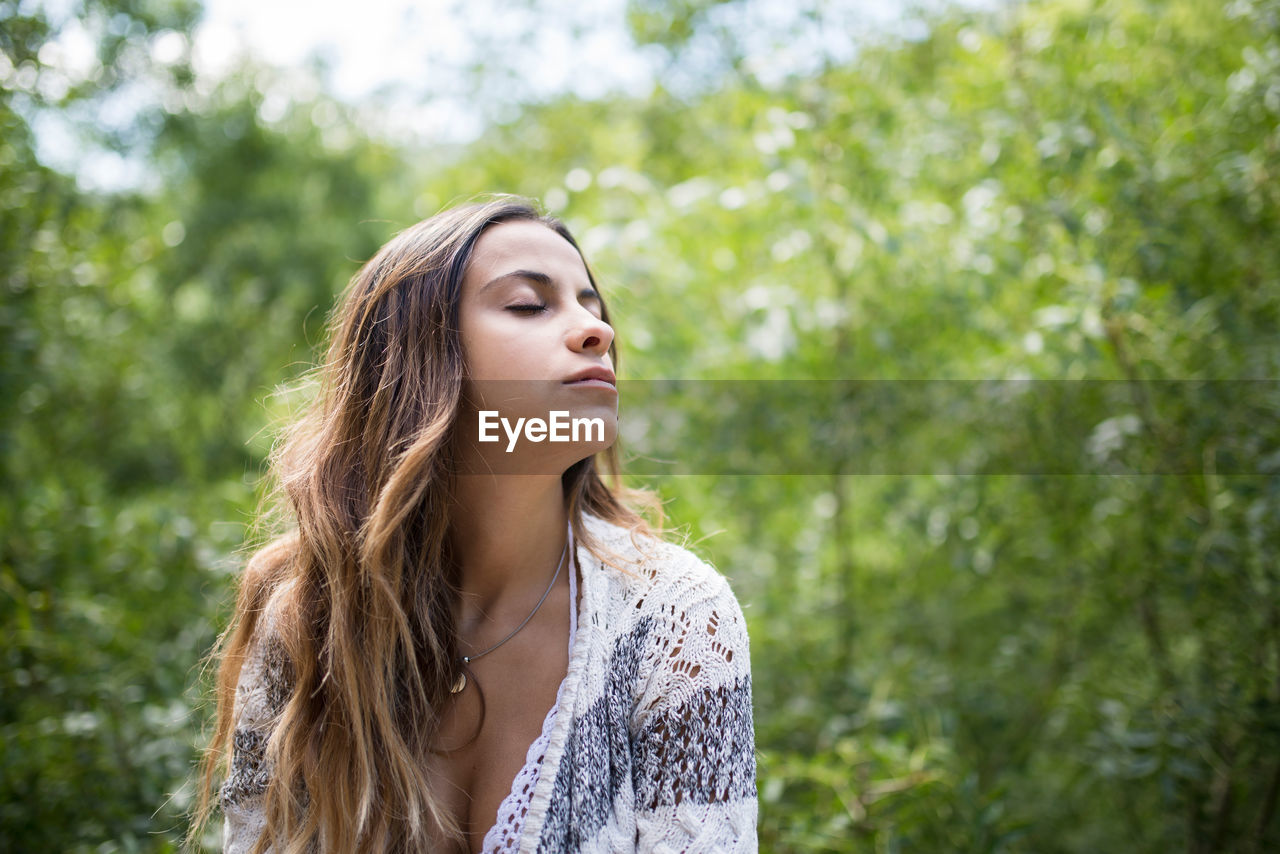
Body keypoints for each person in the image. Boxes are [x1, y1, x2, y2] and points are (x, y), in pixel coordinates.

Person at [191, 196, 758, 853]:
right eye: (528, 304)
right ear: (418, 365)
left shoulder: (677, 620)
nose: (593, 330)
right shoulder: (308, 620)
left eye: (591, 305)